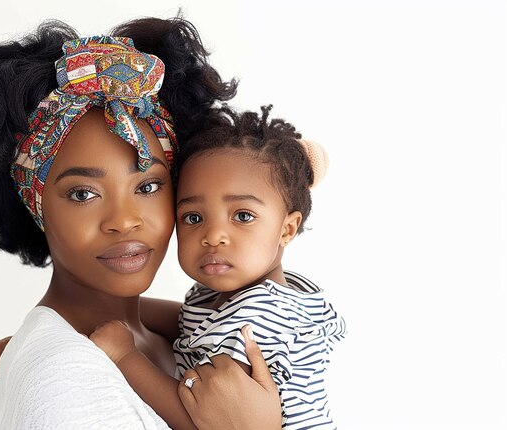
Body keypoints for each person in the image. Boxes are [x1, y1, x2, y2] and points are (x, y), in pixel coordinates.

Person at [0, 17, 283, 430]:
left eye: (148, 185)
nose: (124, 221)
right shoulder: (64, 378)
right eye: (83, 193)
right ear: (35, 205)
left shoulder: (177, 335)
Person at [89, 105, 347, 430]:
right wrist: (107, 307)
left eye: (242, 216)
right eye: (194, 218)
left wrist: (124, 356)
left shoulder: (259, 317)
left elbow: (202, 417)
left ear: (287, 229)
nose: (212, 236)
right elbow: (186, 320)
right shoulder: (246, 291)